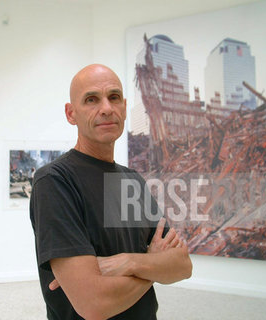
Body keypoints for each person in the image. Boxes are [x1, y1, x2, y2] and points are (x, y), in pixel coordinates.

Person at [30, 64, 192, 319]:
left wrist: (131, 262)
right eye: (91, 99)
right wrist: (153, 264)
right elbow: (94, 303)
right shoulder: (55, 181)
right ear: (71, 114)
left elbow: (182, 265)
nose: (106, 108)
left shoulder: (133, 181)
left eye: (114, 97)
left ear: (124, 107)